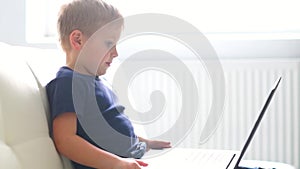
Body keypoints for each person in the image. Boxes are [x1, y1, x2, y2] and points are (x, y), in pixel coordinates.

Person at [46, 0, 171, 169]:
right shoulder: (68, 82)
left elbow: (108, 130)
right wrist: (118, 163)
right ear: (78, 40)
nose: (115, 52)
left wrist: (145, 143)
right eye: (109, 44)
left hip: (135, 158)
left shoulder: (96, 81)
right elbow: (65, 140)